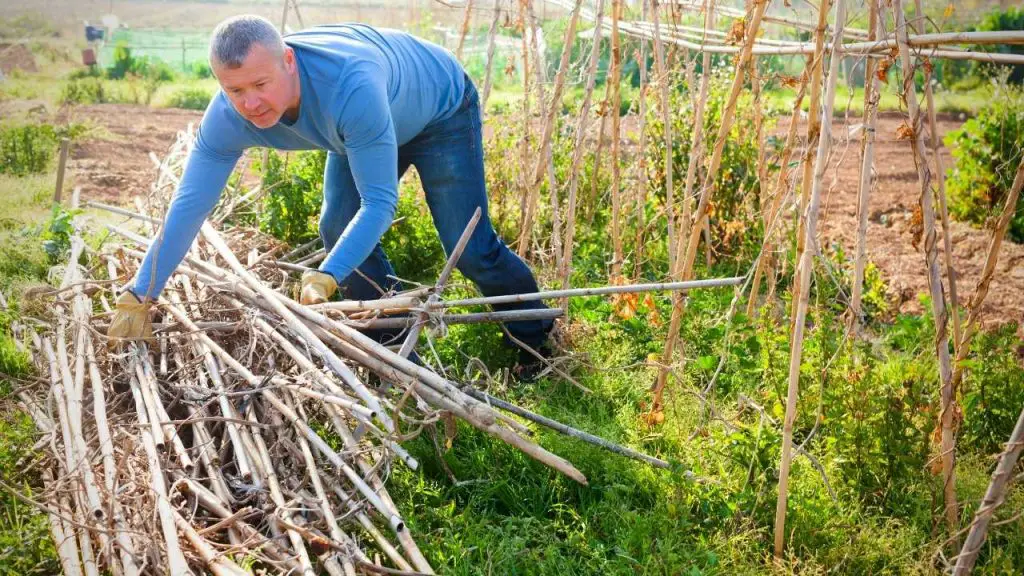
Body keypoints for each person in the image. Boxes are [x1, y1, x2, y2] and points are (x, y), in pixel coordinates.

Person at [107, 15, 553, 366]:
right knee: (336, 224)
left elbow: (380, 203)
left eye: (261, 85)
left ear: (289, 61)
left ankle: (536, 344)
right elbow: (190, 205)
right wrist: (142, 290)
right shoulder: (227, 119)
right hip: (359, 129)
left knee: (469, 246)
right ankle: (395, 349)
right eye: (235, 89)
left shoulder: (347, 87)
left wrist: (329, 273)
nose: (250, 104)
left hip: (438, 108)